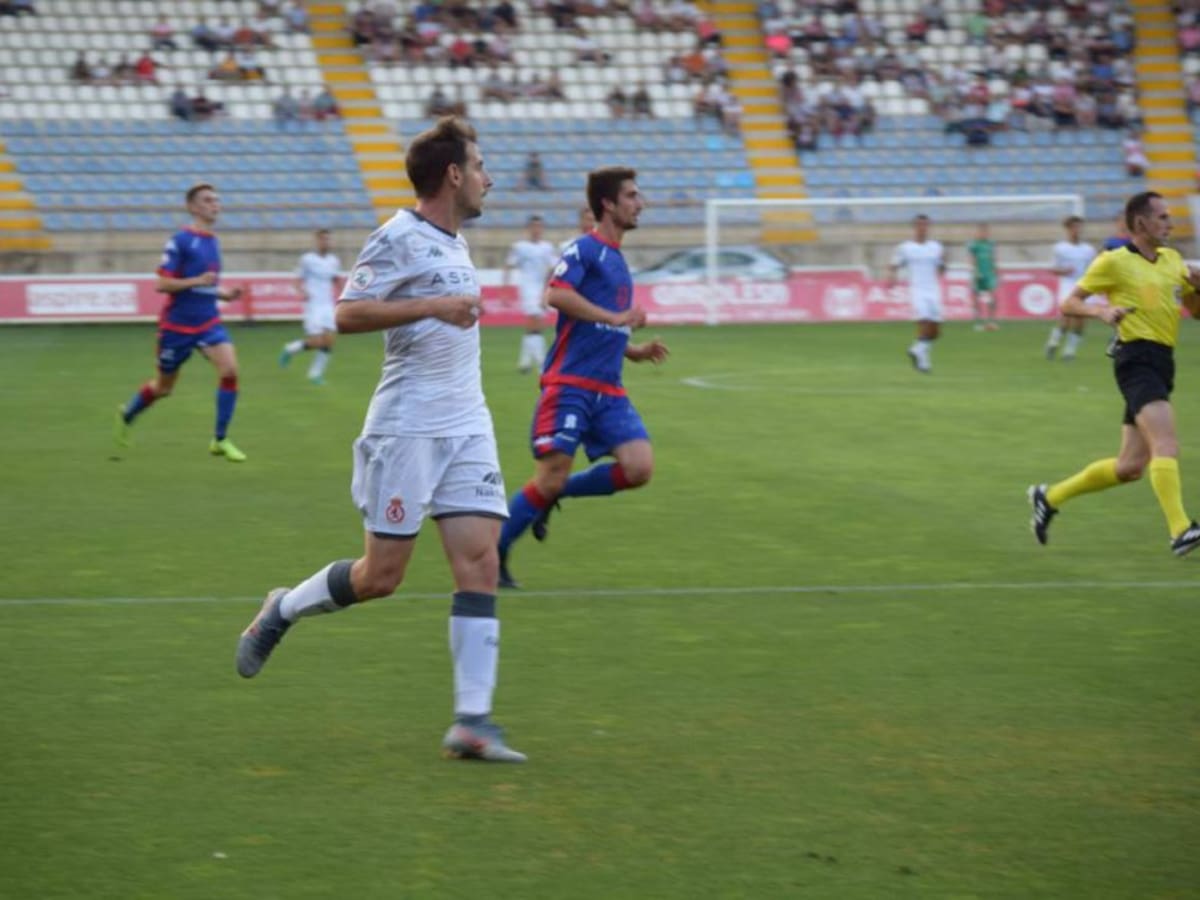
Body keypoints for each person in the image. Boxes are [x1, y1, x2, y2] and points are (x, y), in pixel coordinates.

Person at [235, 117, 525, 763]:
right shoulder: (397, 236)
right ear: (453, 175)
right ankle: (282, 609)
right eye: (479, 165)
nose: (488, 177)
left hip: (467, 425)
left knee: (478, 563)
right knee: (381, 576)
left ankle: (472, 723)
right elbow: (347, 314)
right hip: (407, 428)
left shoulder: (454, 241)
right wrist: (429, 307)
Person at [497, 167, 669, 588]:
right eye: (631, 195)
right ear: (608, 204)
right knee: (549, 476)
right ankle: (494, 556)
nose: (640, 202)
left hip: (609, 390)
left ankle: (554, 497)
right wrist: (615, 316)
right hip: (570, 386)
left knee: (639, 467)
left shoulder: (619, 262)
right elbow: (555, 295)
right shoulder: (585, 250)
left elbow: (599, 329)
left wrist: (633, 350)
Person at [1029, 191, 1200, 558]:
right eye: (1163, 217)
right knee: (1166, 445)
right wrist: (1102, 312)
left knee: (1130, 467)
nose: (1170, 223)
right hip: (1135, 358)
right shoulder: (1114, 262)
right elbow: (1070, 302)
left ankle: (1049, 496)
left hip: (1162, 360)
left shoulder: (1172, 260)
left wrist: (1197, 288)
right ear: (1141, 223)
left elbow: (1194, 310)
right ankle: (1180, 529)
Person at [114, 184, 247, 461]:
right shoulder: (181, 241)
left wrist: (225, 293)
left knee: (230, 371)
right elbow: (162, 284)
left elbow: (206, 287)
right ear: (193, 207)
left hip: (208, 322)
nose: (216, 205)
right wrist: (198, 280)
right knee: (164, 388)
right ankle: (127, 414)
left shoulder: (213, 241)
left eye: (217, 200)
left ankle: (220, 439)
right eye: (208, 200)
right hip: (176, 327)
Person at [280, 229, 343, 384]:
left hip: (327, 305)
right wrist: (302, 292)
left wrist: (344, 295)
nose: (326, 242)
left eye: (328, 239)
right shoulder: (307, 259)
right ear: (317, 241)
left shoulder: (334, 261)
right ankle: (291, 348)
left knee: (329, 341)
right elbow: (296, 281)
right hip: (313, 306)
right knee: (316, 342)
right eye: (323, 239)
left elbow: (336, 279)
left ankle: (315, 374)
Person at [888, 214, 945, 373]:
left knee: (936, 331)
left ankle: (918, 349)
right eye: (920, 225)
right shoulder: (905, 247)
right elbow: (894, 264)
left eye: (925, 225)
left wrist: (942, 265)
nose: (923, 228)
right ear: (914, 227)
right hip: (918, 290)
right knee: (924, 322)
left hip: (933, 290)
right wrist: (892, 279)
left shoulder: (936, 247)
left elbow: (941, 268)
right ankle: (922, 359)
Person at [504, 215, 559, 375]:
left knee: (536, 326)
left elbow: (553, 269)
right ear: (528, 229)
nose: (537, 230)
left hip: (542, 289)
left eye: (539, 227)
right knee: (535, 322)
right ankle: (542, 364)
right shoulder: (520, 247)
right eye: (534, 227)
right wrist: (505, 289)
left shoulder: (547, 247)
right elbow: (508, 265)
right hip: (527, 289)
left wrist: (548, 289)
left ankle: (525, 362)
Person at [1045, 215, 1097, 361]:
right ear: (1067, 229)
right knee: (1066, 319)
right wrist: (1064, 271)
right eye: (1074, 227)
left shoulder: (1088, 249)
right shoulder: (1060, 248)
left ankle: (1069, 352)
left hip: (1084, 286)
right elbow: (1053, 268)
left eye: (1079, 227)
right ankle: (1053, 342)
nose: (1077, 230)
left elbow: (1093, 269)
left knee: (1080, 320)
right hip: (1067, 286)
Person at [966, 222, 999, 331]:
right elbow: (972, 258)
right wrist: (975, 271)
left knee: (991, 297)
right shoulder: (974, 244)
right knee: (976, 298)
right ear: (978, 232)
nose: (984, 233)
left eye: (986, 231)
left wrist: (995, 270)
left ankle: (991, 321)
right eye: (982, 231)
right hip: (978, 274)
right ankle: (978, 322)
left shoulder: (990, 244)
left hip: (988, 274)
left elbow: (993, 257)